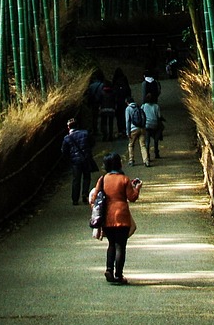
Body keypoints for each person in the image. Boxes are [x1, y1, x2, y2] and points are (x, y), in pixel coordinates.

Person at [89, 154, 142, 284]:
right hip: (122, 216)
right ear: (119, 164)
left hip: (107, 216)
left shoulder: (102, 179)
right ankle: (118, 275)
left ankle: (109, 269)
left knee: (111, 244)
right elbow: (132, 197)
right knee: (121, 246)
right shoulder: (124, 179)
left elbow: (94, 197)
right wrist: (137, 188)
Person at [61, 118, 95, 206]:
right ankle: (85, 193)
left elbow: (64, 151)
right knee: (87, 177)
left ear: (68, 127)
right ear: (77, 125)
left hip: (75, 161)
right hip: (86, 158)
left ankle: (75, 199)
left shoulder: (67, 138)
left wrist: (69, 159)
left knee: (76, 179)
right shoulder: (85, 133)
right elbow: (92, 143)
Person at [125, 98, 150, 166]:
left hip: (133, 129)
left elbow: (128, 121)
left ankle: (131, 160)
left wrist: (128, 132)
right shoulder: (139, 107)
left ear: (127, 102)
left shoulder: (128, 109)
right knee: (143, 145)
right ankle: (146, 160)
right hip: (142, 128)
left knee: (131, 145)